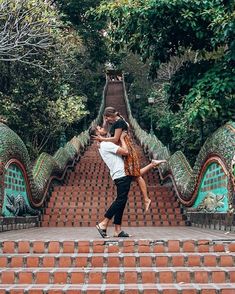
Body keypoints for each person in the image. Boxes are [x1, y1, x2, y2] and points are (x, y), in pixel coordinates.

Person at [89, 126, 166, 238]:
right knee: (121, 199)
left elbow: (136, 174)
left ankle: (117, 230)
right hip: (121, 174)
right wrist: (122, 139)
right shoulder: (106, 144)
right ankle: (103, 223)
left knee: (123, 199)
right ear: (97, 134)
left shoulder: (103, 144)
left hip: (121, 173)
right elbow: (125, 151)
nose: (102, 127)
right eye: (99, 128)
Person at [93, 106, 166, 213]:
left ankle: (146, 198)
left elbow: (115, 139)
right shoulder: (116, 122)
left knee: (135, 175)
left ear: (111, 116)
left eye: (107, 118)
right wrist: (105, 121)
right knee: (133, 175)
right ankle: (152, 167)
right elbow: (104, 130)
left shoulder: (119, 123)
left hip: (127, 150)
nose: (106, 121)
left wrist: (102, 139)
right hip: (124, 149)